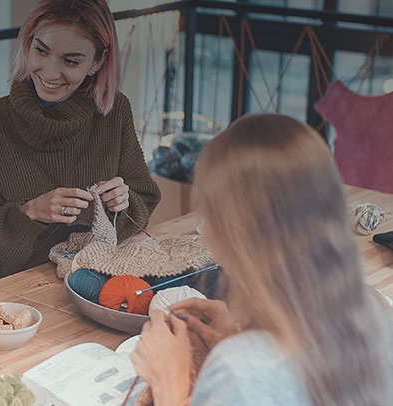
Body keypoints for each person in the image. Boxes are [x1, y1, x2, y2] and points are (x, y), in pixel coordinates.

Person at [129, 114, 393, 405]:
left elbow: (256, 378)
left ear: (237, 232)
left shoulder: (239, 370)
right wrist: (240, 334)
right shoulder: (375, 310)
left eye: (208, 215)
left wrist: (170, 380)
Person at [0, 0, 161, 291]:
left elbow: (143, 197)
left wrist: (122, 202)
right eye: (41, 51)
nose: (49, 72)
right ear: (29, 42)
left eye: (71, 61)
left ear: (97, 61)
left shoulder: (113, 112)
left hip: (87, 283)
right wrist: (29, 212)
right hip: (4, 294)